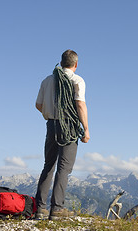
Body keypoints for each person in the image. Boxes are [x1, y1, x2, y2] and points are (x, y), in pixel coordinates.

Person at [35, 49, 90, 219]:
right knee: (64, 168)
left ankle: (40, 208)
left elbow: (38, 104)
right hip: (69, 127)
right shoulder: (76, 80)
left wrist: (51, 114)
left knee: (48, 165)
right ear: (76, 64)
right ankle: (57, 209)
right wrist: (86, 129)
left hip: (51, 125)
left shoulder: (48, 80)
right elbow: (80, 105)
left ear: (61, 62)